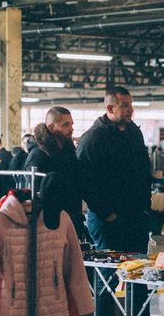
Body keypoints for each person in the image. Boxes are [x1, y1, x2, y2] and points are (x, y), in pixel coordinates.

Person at [78, 87, 151, 252]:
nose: (130, 110)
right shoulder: (93, 139)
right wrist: (106, 214)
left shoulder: (134, 133)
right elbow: (84, 180)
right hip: (108, 220)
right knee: (110, 274)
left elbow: (144, 172)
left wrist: (146, 207)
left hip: (136, 217)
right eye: (125, 105)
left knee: (137, 270)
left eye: (131, 105)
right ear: (110, 108)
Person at [25, 107, 84, 240]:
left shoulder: (68, 152)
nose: (71, 129)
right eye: (66, 125)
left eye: (72, 124)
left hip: (71, 219)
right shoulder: (38, 155)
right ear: (51, 127)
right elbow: (34, 194)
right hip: (49, 225)